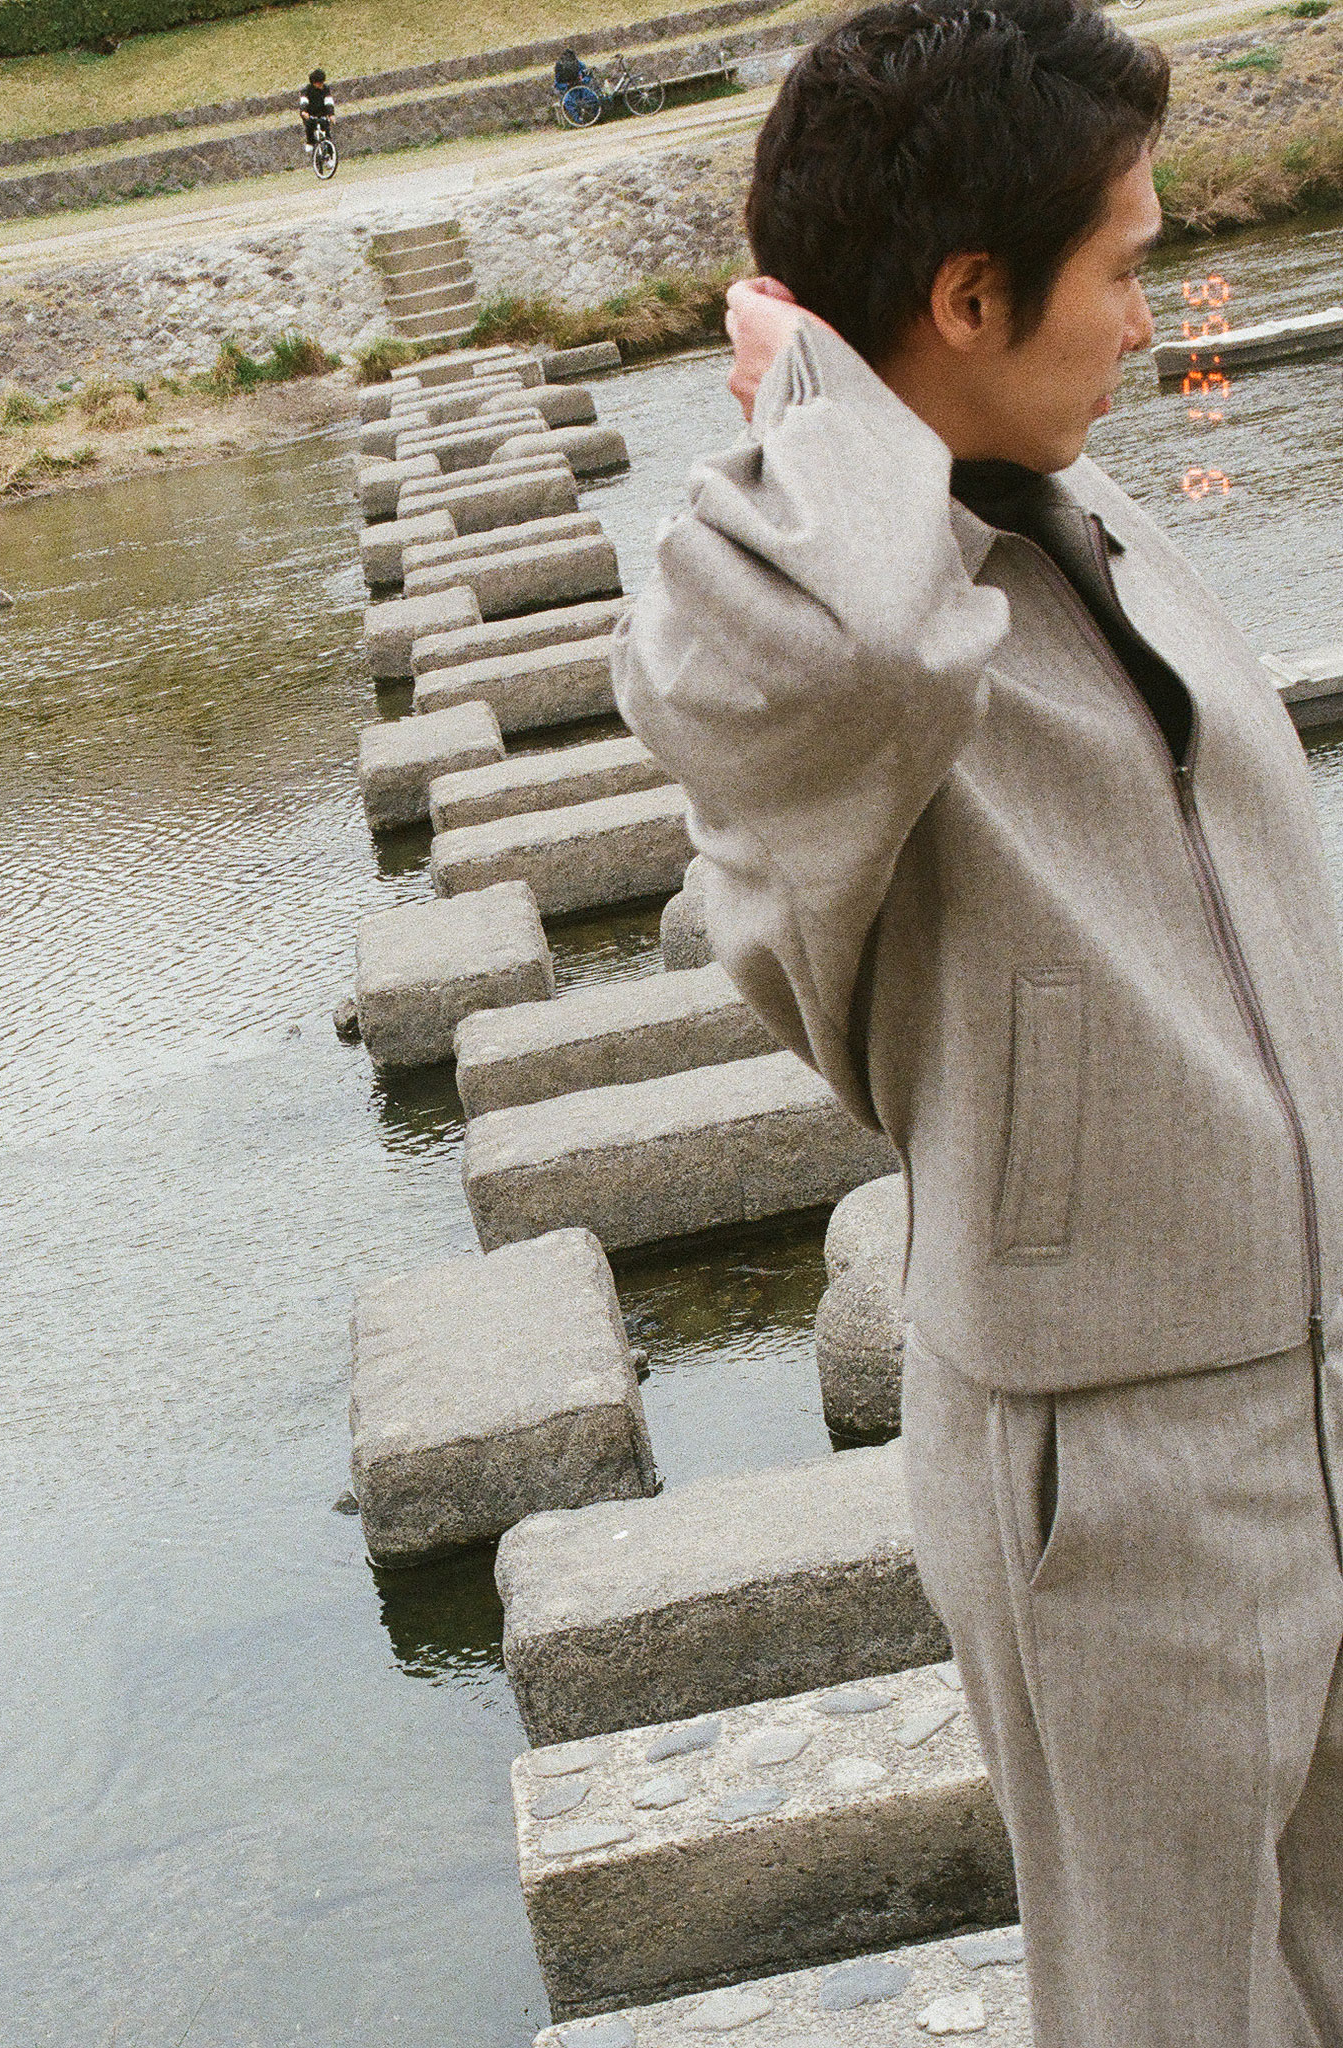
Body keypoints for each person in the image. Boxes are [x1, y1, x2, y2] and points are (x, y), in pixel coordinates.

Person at [611, 4, 1343, 2044]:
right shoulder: (784, 611)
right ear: (962, 297)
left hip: (1304, 1382)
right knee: (1174, 2008)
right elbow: (854, 645)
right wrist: (820, 399)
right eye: (1121, 263)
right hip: (1109, 1468)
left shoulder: (1073, 515)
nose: (1147, 315)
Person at [299, 68, 335, 157]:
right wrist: (304, 111)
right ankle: (310, 142)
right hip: (310, 113)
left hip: (322, 112)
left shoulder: (325, 89)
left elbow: (328, 102)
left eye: (322, 82)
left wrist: (331, 114)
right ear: (313, 82)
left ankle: (330, 153)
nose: (321, 85)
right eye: (319, 83)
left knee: (326, 130)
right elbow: (304, 102)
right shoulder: (307, 90)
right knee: (309, 125)